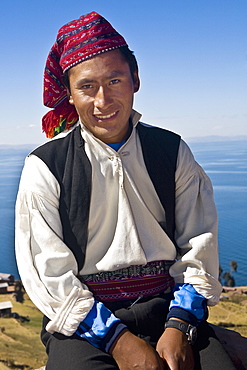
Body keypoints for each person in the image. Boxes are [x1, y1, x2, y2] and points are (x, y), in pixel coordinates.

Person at [15, 11, 236, 370]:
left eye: (115, 80)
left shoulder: (171, 150)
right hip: (85, 324)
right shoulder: (45, 166)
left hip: (169, 309)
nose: (103, 100)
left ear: (135, 79)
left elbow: (199, 243)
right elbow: (49, 272)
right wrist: (118, 342)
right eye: (87, 86)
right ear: (69, 94)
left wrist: (179, 325)